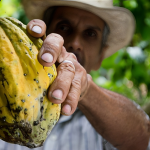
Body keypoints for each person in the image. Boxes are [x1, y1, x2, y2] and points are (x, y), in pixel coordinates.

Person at [0, 0, 150, 150]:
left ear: (101, 56)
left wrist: (85, 90)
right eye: (64, 27)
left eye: (90, 34)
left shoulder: (106, 124)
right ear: (42, 35)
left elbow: (143, 139)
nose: (75, 42)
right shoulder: (5, 89)